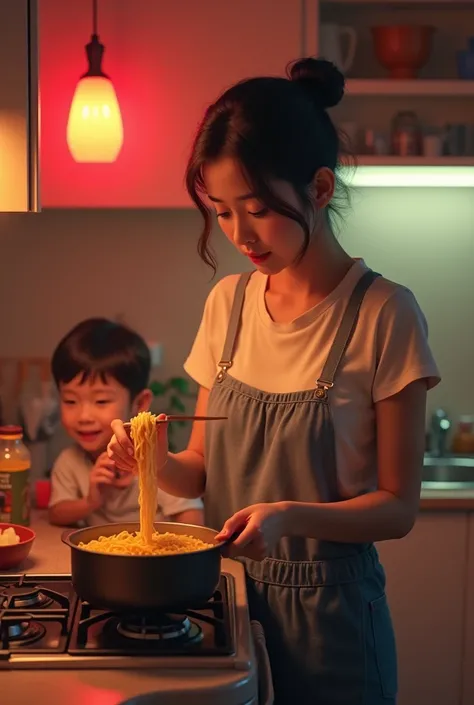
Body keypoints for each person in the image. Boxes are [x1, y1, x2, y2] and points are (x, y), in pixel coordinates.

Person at [107, 58, 440, 704]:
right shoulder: (227, 305)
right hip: (224, 606)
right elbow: (198, 469)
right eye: (222, 212)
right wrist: (145, 461)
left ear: (318, 188)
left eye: (256, 209)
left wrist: (288, 517)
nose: (238, 235)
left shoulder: (383, 314)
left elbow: (399, 507)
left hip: (333, 625)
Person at [48, 318, 204, 527]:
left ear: (139, 403)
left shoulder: (158, 462)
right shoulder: (70, 461)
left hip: (157, 556)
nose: (84, 416)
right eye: (70, 401)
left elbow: (192, 518)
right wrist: (90, 502)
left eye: (101, 401)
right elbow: (56, 513)